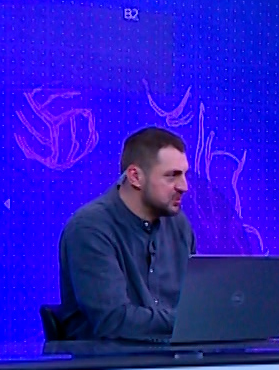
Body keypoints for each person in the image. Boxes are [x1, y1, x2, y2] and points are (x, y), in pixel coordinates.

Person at [57, 127, 196, 341]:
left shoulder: (179, 225)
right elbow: (113, 321)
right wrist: (191, 321)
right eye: (172, 176)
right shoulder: (90, 228)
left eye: (185, 175)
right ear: (135, 177)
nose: (184, 186)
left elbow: (192, 303)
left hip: (172, 358)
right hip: (108, 359)